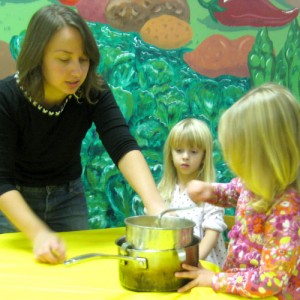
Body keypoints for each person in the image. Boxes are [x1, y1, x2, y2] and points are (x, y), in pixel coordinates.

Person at [0, 5, 166, 265]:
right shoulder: (6, 97)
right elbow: (1, 181)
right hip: (15, 204)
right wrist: (38, 234)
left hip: (68, 198)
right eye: (64, 59)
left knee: (74, 274)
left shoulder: (92, 90)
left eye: (84, 59)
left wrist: (154, 203)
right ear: (38, 56)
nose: (76, 71)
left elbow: (122, 144)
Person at [175, 83, 300, 299]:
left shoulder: (287, 211)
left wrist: (215, 279)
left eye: (240, 157)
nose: (234, 165)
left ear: (268, 157)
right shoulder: (253, 182)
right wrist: (209, 191)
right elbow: (234, 191)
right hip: (237, 288)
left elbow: (269, 282)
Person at [158, 118, 227, 267]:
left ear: (204, 156)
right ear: (170, 154)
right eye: (179, 150)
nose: (185, 156)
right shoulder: (165, 190)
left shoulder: (211, 193)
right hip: (172, 264)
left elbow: (211, 235)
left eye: (193, 151)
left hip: (204, 267)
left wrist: (191, 265)